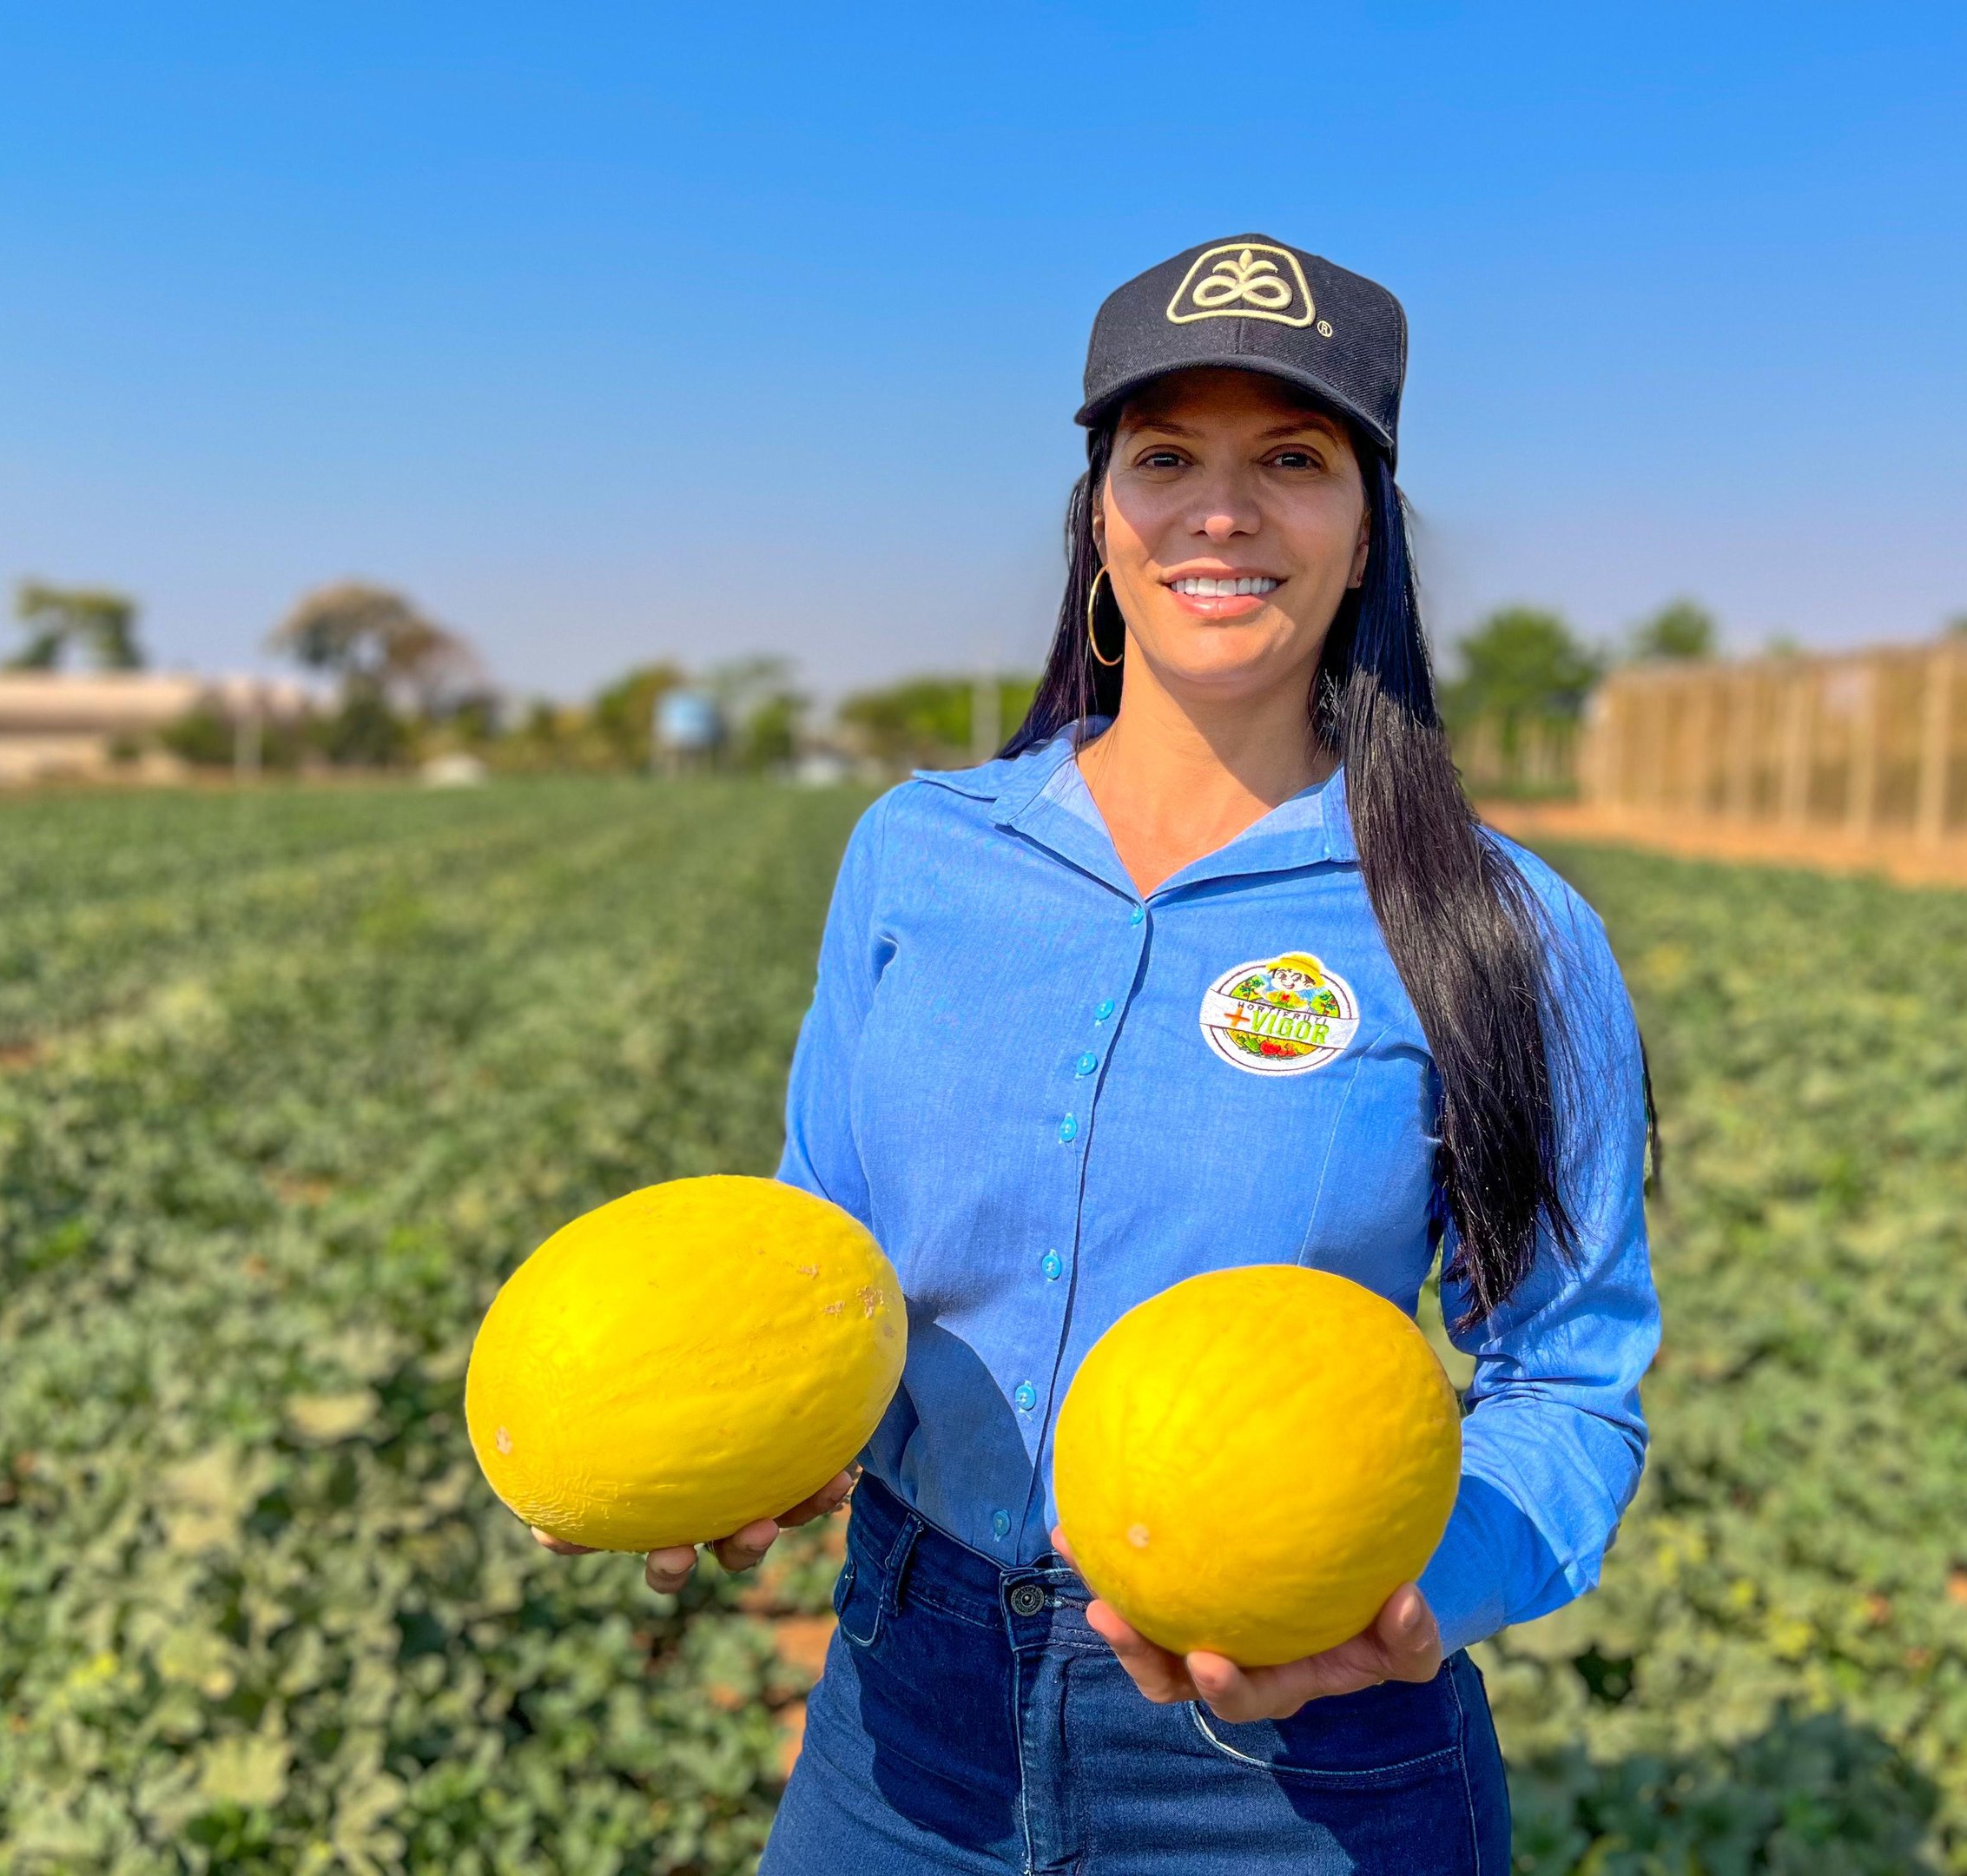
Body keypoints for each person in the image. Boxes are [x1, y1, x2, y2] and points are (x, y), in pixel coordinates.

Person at [553, 234, 1659, 1873]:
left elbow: (1568, 1379)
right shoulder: (918, 855)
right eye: (1166, 458)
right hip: (900, 1715)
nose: (1222, 511)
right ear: (1099, 517)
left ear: (1368, 539)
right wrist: (762, 1429)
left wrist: (1421, 1596)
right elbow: (818, 1241)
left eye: (1293, 459)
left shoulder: (1500, 925)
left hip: (1298, 1762)